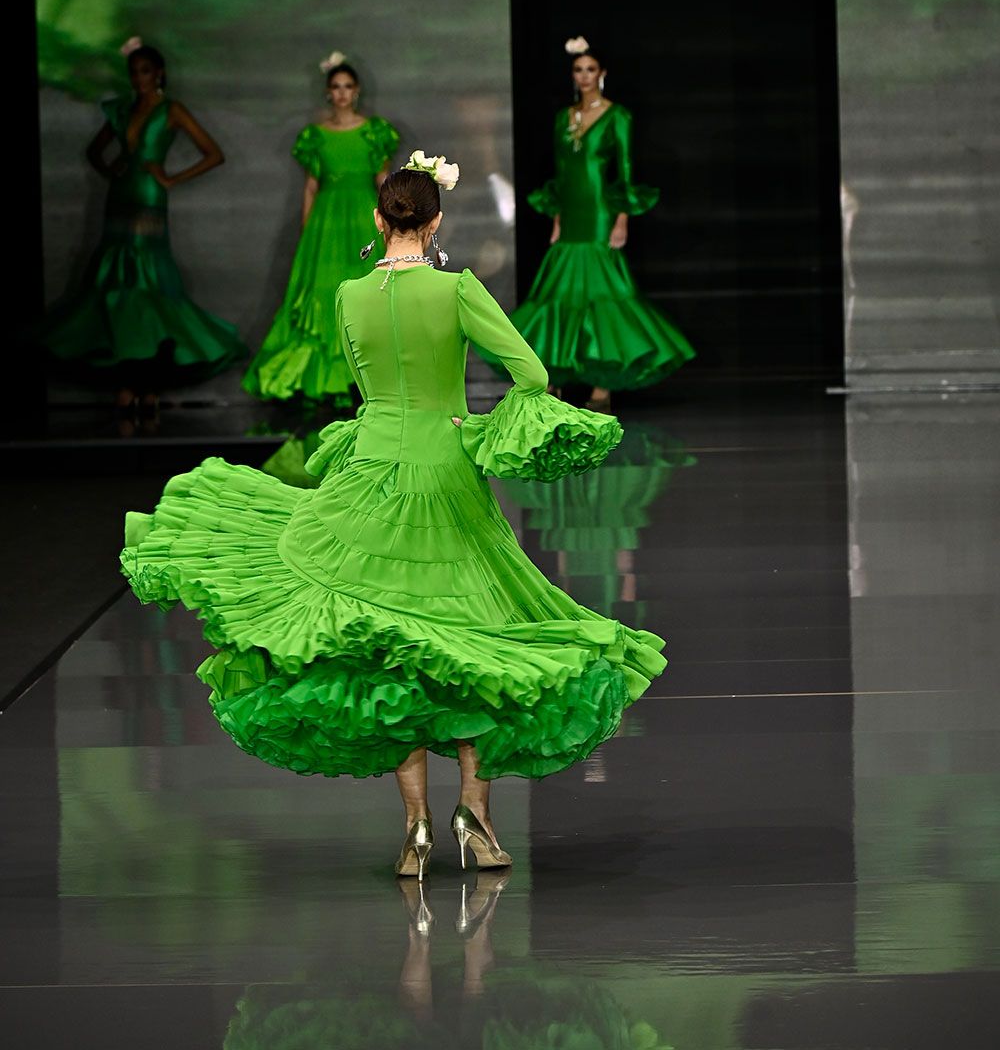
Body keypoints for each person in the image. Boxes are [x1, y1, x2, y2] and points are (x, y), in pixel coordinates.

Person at [121, 152, 666, 878]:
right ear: (434, 223)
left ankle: (415, 828)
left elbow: (364, 387)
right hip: (445, 476)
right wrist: (477, 427)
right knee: (472, 638)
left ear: (379, 220)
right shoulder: (457, 288)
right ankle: (476, 818)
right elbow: (532, 374)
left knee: (389, 642)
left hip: (370, 472)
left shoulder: (351, 294)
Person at [41, 37, 247, 413]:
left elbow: (213, 153)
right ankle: (132, 381)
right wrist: (113, 170)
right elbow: (94, 152)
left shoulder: (171, 109)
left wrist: (170, 178)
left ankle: (147, 381)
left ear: (159, 73)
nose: (139, 78)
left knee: (146, 284)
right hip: (120, 198)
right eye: (134, 72)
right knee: (118, 285)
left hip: (150, 198)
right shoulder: (123, 109)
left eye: (145, 71)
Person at [508, 37, 694, 408]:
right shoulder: (564, 117)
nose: (584, 76)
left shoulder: (617, 116)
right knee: (561, 295)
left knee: (601, 295)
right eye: (578, 70)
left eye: (590, 69)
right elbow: (561, 171)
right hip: (571, 214)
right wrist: (557, 217)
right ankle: (553, 378)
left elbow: (624, 170)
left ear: (602, 73)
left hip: (599, 214)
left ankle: (602, 385)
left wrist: (622, 218)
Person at [242, 53, 399, 405]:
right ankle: (329, 380)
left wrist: (392, 221)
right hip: (325, 224)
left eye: (347, 86)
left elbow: (383, 180)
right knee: (325, 293)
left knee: (366, 287)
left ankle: (366, 378)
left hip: (363, 216)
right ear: (328, 92)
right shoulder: (316, 135)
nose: (342, 93)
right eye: (336, 87)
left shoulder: (374, 132)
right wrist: (307, 232)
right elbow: (311, 187)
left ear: (356, 90)